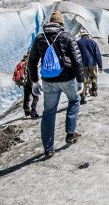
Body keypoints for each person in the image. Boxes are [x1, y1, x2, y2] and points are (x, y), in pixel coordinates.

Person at [28, 10, 85, 158]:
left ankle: (48, 148)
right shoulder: (67, 37)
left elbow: (32, 62)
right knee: (74, 100)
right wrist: (80, 80)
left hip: (48, 81)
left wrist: (34, 82)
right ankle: (70, 133)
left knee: (48, 112)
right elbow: (77, 60)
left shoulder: (39, 38)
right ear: (61, 24)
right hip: (67, 78)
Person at [76, 29, 103, 105]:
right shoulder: (92, 42)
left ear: (81, 36)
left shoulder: (78, 43)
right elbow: (97, 54)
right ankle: (94, 91)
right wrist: (100, 65)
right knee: (93, 77)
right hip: (92, 64)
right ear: (87, 35)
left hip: (82, 64)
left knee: (84, 80)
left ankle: (83, 96)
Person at [21, 51, 39, 118]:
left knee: (26, 96)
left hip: (25, 82)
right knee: (36, 97)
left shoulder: (23, 62)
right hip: (29, 82)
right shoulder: (29, 62)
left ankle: (27, 111)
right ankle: (33, 111)